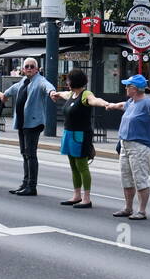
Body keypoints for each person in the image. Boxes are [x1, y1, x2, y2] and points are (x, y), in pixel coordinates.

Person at [106, 74, 150, 219]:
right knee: (126, 177)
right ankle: (128, 207)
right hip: (125, 145)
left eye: (128, 86)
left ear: (134, 89)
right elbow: (122, 105)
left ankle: (142, 211)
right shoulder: (131, 102)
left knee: (140, 178)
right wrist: (111, 105)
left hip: (140, 146)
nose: (126, 88)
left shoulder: (147, 102)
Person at [49, 68, 115, 207]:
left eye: (68, 80)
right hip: (68, 133)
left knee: (82, 166)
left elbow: (95, 100)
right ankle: (76, 195)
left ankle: (87, 198)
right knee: (73, 166)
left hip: (81, 135)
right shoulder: (72, 94)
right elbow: (64, 94)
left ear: (74, 81)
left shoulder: (85, 94)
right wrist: (55, 94)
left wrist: (105, 104)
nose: (67, 82)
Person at [0, 57, 55, 195]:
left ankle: (32, 186)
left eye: (31, 66)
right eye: (26, 66)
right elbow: (13, 88)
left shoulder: (39, 80)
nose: (29, 69)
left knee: (30, 154)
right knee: (24, 153)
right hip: (23, 123)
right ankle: (25, 183)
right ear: (23, 69)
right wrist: (4, 95)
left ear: (37, 69)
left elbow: (47, 86)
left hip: (33, 123)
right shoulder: (24, 81)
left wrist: (52, 93)